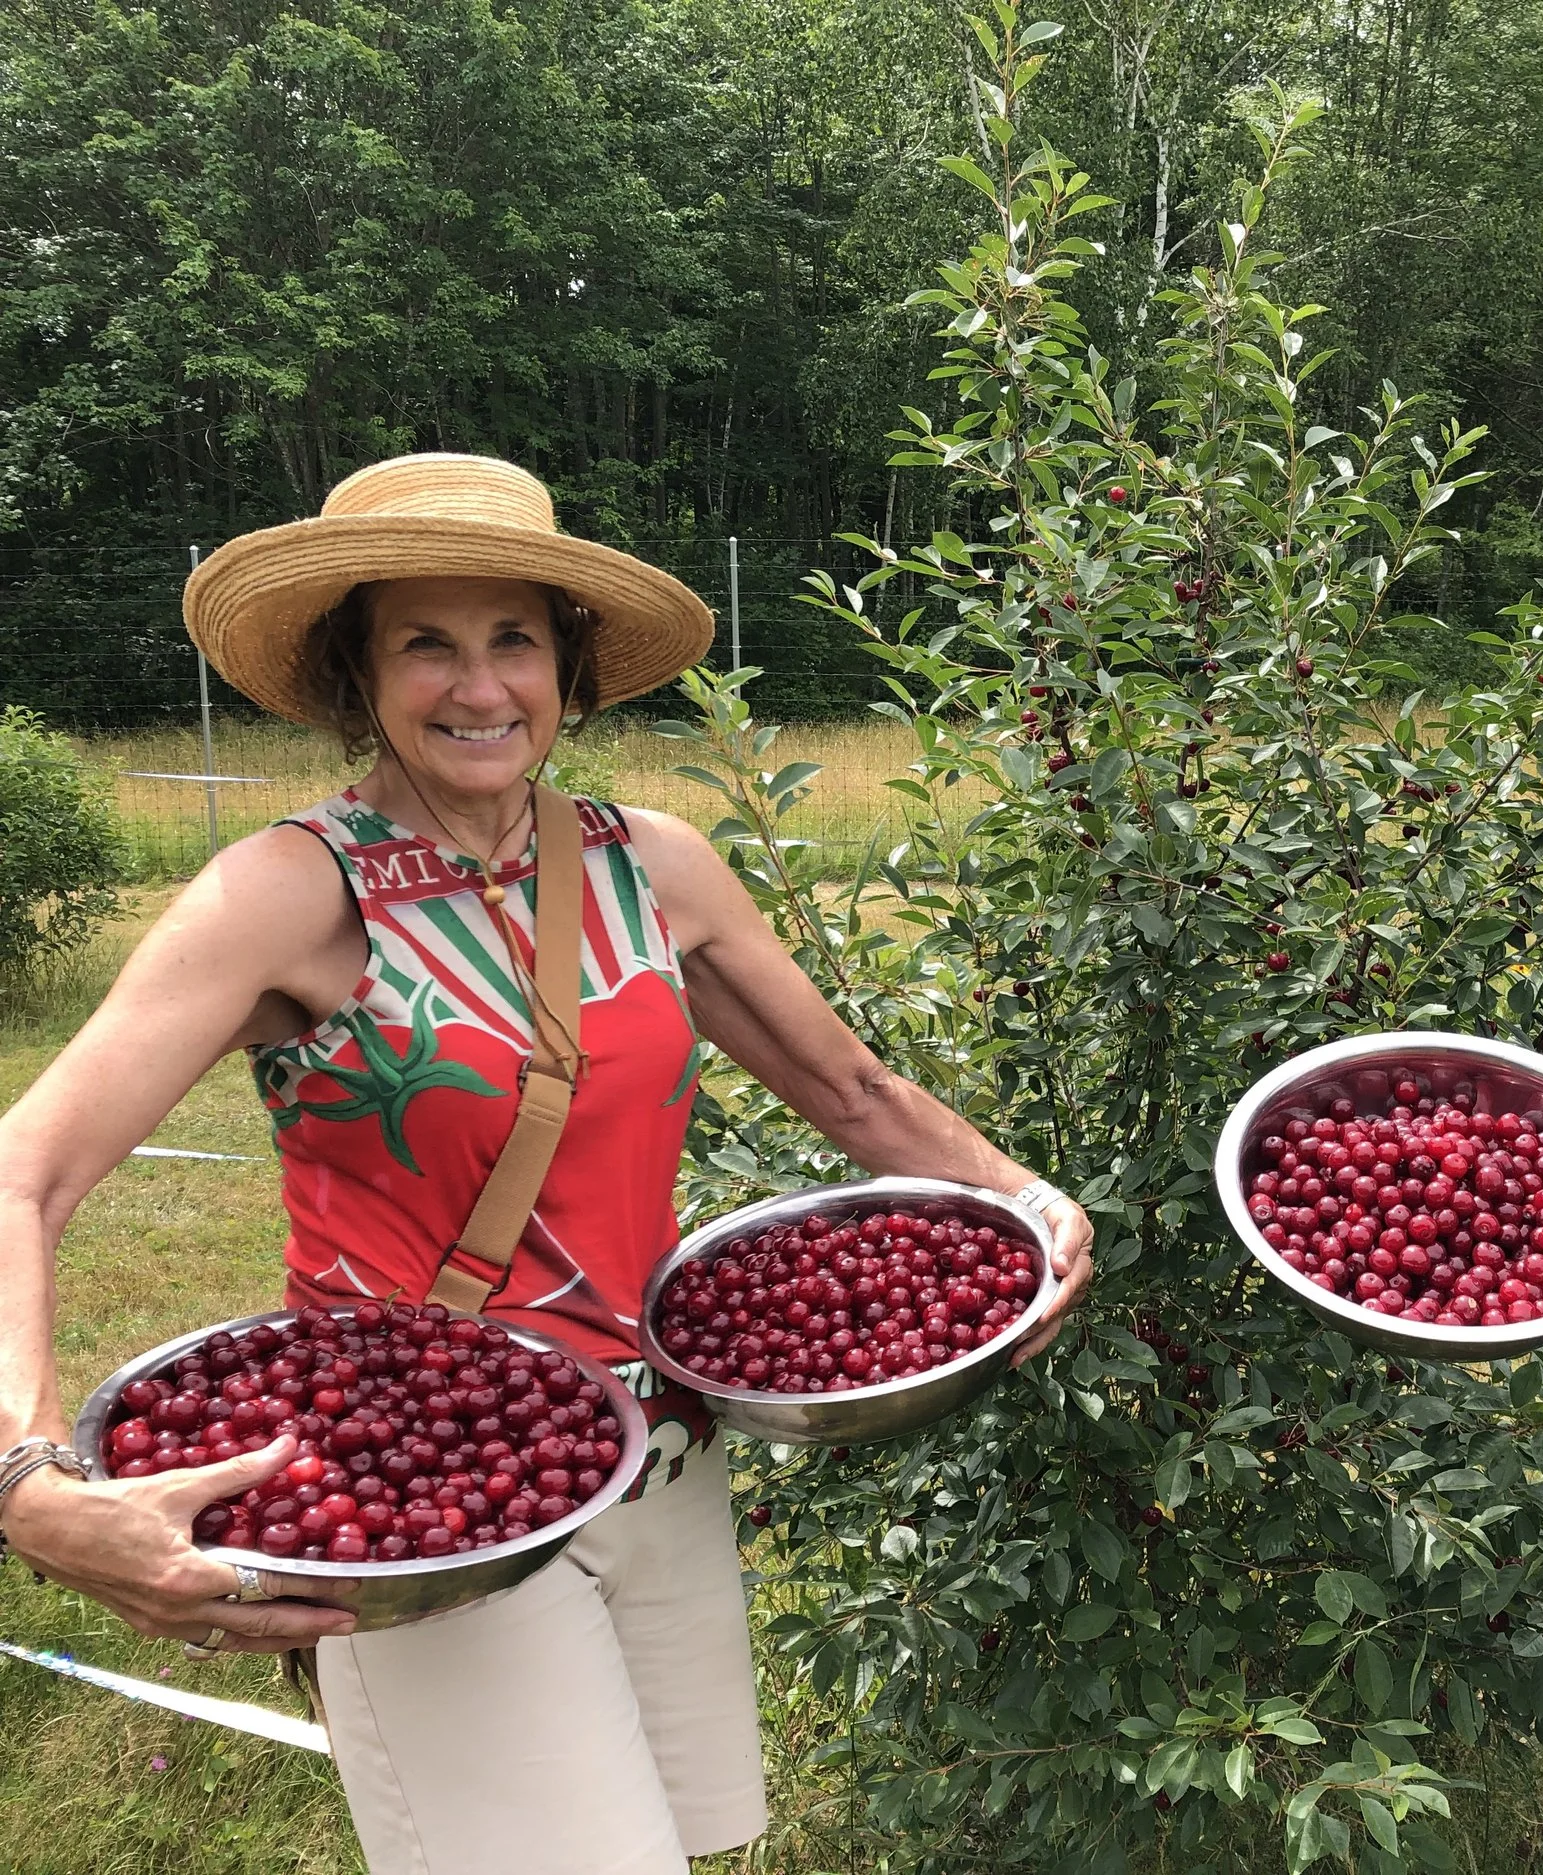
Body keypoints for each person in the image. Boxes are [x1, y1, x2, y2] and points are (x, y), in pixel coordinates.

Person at [0, 453, 1095, 1875]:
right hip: (425, 1494)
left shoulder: (658, 864)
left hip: (657, 1453)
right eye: (426, 644)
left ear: (569, 666)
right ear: (360, 670)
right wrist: (27, 1483)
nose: (478, 685)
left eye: (513, 638)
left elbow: (851, 1087)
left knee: (686, 1843)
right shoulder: (289, 891)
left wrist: (1023, 1197)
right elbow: (23, 1170)